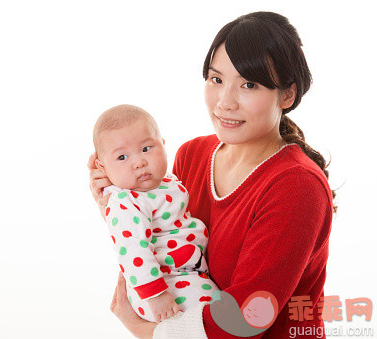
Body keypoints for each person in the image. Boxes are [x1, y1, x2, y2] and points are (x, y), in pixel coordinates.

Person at [88, 11, 335, 338]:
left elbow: (247, 317)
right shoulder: (192, 155)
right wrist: (116, 201)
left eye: (249, 84)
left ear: (287, 94)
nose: (224, 102)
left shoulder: (296, 186)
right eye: (216, 79)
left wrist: (145, 331)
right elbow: (164, 246)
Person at [92, 104, 218, 323]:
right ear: (102, 168)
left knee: (219, 311)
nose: (139, 162)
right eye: (122, 157)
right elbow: (132, 250)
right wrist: (157, 295)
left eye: (146, 149)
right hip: (162, 284)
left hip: (187, 273)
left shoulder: (167, 183)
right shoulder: (125, 201)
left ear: (163, 145)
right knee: (214, 318)